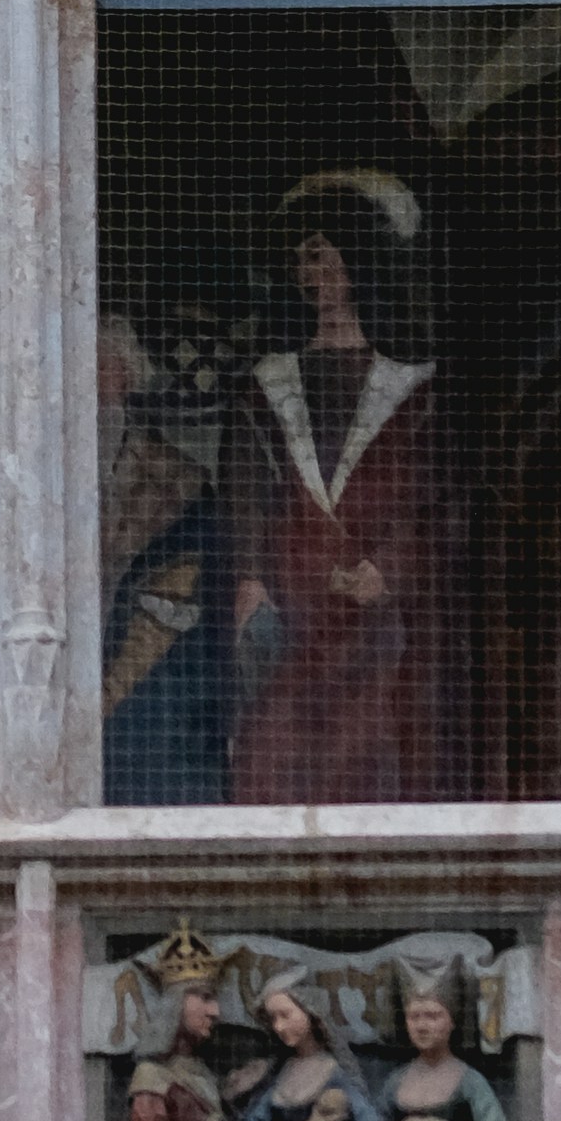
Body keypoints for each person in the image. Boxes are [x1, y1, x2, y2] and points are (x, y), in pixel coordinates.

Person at [221, 173, 455, 802]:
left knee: (373, 762)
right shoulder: (266, 387)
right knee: (276, 760)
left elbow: (438, 506)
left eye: (322, 253)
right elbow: (245, 498)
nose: (310, 273)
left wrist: (391, 569)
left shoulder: (419, 391)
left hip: (378, 627)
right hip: (292, 617)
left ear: (360, 257)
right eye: (300, 259)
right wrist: (250, 583)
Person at [95, 307, 224, 800]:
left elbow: (189, 575)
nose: (84, 381)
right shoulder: (44, 467)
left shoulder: (177, 478)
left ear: (126, 375)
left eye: (99, 365)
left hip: (145, 670)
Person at [231, 970, 386, 1121]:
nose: (278, 1027)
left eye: (285, 1015)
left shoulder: (335, 1073)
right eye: (272, 1019)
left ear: (310, 1013)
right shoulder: (281, 1069)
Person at [379, 968, 515, 1121]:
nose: (422, 1027)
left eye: (433, 1016)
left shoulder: (469, 1081)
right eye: (414, 1017)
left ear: (452, 1022)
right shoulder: (396, 1080)